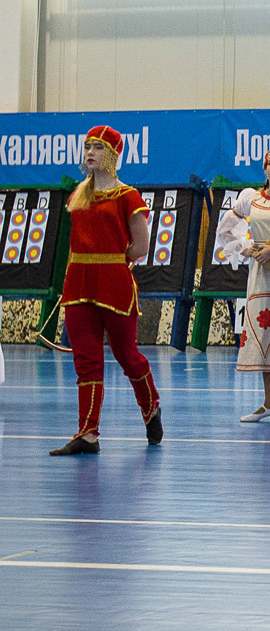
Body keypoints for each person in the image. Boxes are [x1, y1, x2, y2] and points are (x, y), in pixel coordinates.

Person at [49, 125, 162, 455]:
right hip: (78, 282)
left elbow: (140, 246)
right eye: (87, 147)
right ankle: (88, 434)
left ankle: (151, 407)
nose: (90, 153)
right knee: (86, 361)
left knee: (127, 355)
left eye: (98, 148)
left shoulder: (128, 196)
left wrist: (113, 261)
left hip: (113, 283)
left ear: (112, 154)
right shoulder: (78, 194)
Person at [216, 148, 270, 423]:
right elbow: (225, 229)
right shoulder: (251, 199)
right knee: (266, 331)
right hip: (260, 274)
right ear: (264, 169)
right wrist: (245, 247)